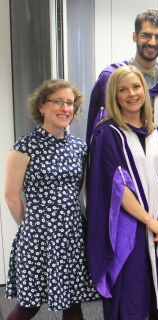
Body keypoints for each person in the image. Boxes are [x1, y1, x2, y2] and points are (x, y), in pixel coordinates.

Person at [86, 66, 158, 319]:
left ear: (144, 91)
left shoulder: (156, 132)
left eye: (136, 87)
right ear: (114, 96)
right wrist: (150, 222)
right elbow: (116, 187)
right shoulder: (108, 133)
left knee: (155, 300)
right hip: (129, 232)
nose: (131, 94)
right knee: (133, 301)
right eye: (122, 90)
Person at [4, 79, 98, 319]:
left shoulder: (79, 148)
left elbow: (79, 190)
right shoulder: (24, 147)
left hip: (73, 234)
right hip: (38, 237)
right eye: (57, 101)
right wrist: (33, 228)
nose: (64, 108)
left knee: (73, 302)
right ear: (41, 107)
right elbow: (11, 196)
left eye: (69, 103)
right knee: (29, 305)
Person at [86, 8, 158, 156]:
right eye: (146, 35)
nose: (152, 42)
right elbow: (95, 131)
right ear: (134, 36)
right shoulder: (110, 78)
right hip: (120, 170)